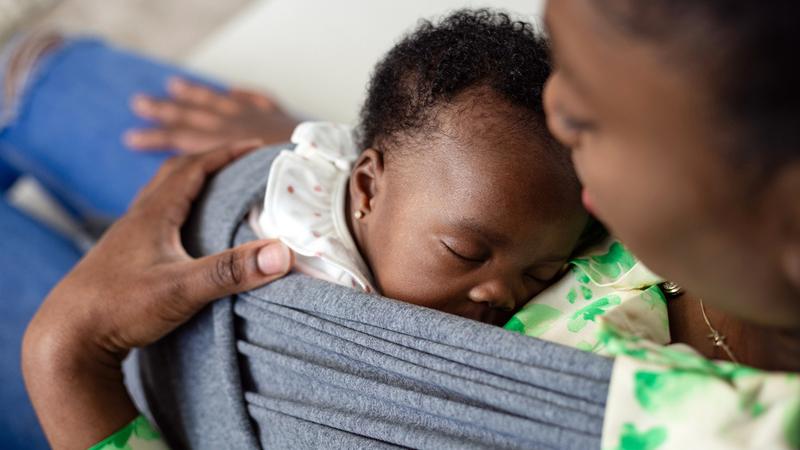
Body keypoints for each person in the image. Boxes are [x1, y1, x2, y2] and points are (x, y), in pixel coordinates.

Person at [7, 0, 800, 448]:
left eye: (595, 110)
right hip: (255, 204)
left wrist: (67, 359)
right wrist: (331, 151)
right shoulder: (660, 220)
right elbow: (480, 167)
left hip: (142, 395)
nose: (557, 112)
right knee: (69, 89)